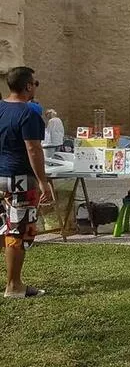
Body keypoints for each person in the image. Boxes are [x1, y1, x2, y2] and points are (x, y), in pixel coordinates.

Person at [0, 66, 53, 298]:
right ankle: (14, 285)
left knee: (2, 228)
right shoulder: (29, 113)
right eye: (34, 83)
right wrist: (43, 181)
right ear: (28, 86)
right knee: (18, 232)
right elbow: (33, 149)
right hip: (18, 178)